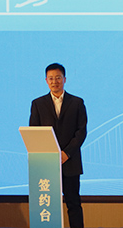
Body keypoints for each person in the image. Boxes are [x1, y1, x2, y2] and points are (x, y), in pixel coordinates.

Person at [29, 63, 87, 228]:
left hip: (70, 162)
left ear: (65, 79)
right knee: (48, 205)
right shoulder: (38, 104)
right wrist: (50, 155)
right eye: (51, 78)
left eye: (58, 78)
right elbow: (35, 132)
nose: (55, 82)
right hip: (47, 165)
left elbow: (81, 132)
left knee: (73, 203)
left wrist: (66, 153)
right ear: (46, 81)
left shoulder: (77, 102)